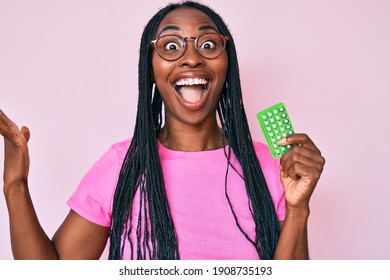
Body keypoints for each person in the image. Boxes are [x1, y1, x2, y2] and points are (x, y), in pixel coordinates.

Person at [0, 1, 325, 260]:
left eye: (208, 44)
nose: (191, 58)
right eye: (171, 46)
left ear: (228, 64)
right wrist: (15, 184)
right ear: (151, 70)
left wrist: (298, 208)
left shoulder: (271, 166)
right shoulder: (122, 165)